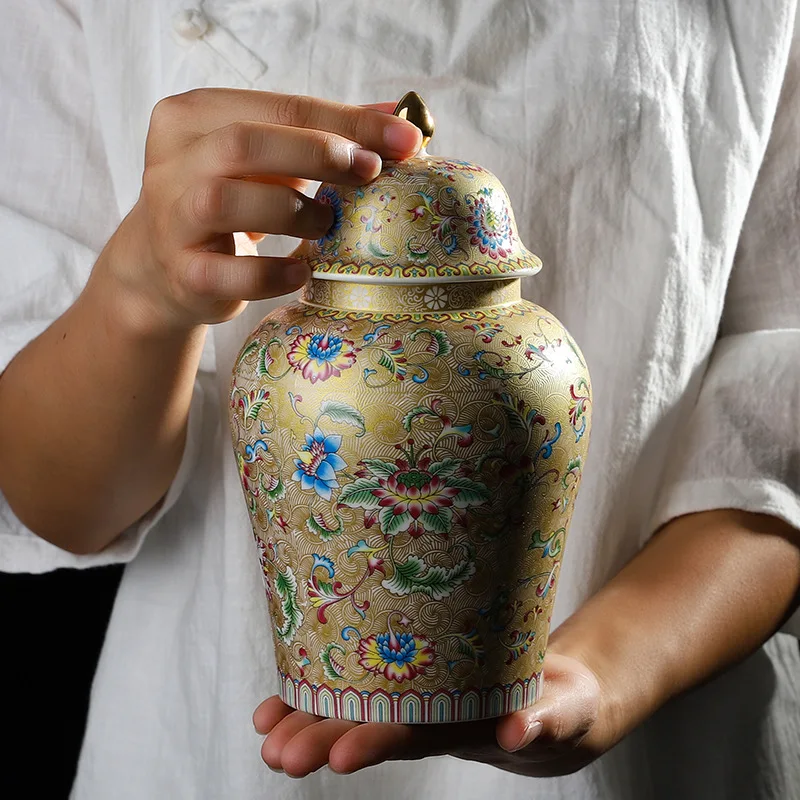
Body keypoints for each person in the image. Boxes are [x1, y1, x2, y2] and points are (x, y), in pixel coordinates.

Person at [1, 1, 799, 798]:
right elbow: (57, 501)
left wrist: (603, 672)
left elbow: (771, 428)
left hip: (656, 738)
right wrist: (139, 290)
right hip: (203, 736)